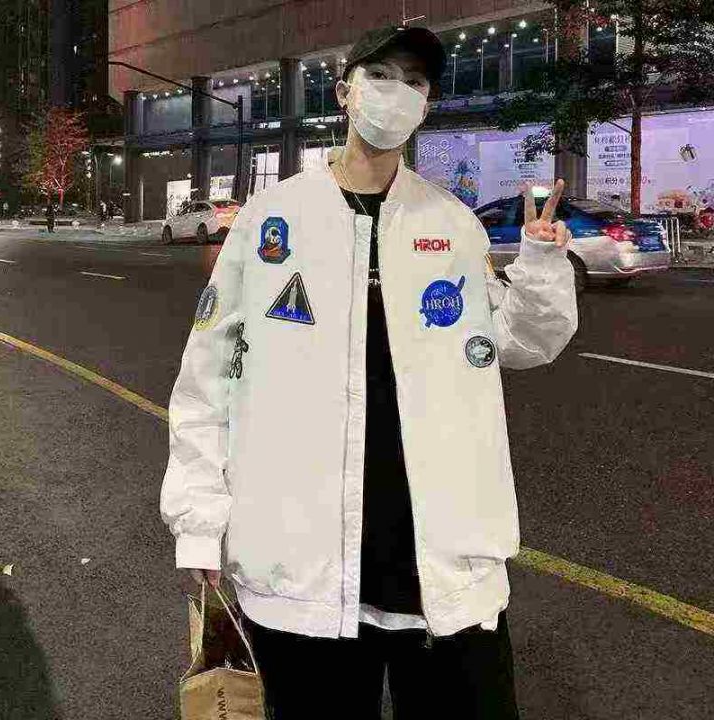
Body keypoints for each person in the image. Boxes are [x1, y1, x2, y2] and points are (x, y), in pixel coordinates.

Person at [161, 24, 577, 720]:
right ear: (344, 91)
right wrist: (200, 522)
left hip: (444, 570)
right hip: (301, 574)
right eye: (381, 76)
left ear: (427, 104)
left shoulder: (452, 222)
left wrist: (539, 264)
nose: (397, 93)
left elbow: (520, 343)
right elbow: (206, 382)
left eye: (415, 82)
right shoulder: (271, 219)